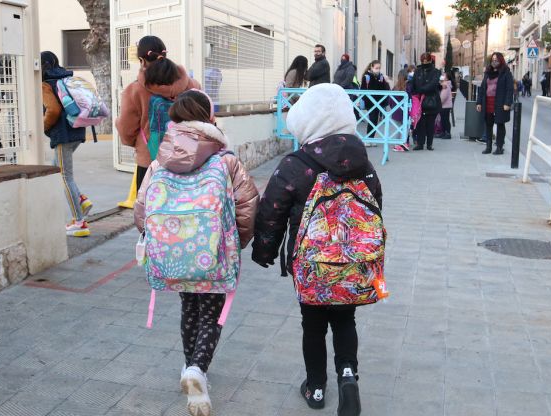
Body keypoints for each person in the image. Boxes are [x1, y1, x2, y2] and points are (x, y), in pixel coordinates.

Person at [251, 83, 383, 416]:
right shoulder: (363, 163)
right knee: (345, 320)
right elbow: (376, 207)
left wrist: (264, 252)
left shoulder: (296, 164)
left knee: (313, 325)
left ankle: (316, 387)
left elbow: (271, 211)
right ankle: (348, 375)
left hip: (311, 265)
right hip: (353, 263)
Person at [134, 90, 259, 416]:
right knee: (212, 314)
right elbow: (247, 207)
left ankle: (190, 367)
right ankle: (196, 369)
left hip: (173, 255)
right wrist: (238, 244)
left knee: (189, 308)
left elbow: (142, 207)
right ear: (209, 119)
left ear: (175, 119)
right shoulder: (225, 160)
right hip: (214, 255)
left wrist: (157, 243)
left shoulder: (161, 160)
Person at [116, 35, 201, 192]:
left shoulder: (134, 90)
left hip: (150, 160)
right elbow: (206, 118)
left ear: (142, 60)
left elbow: (126, 128)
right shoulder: (192, 85)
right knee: (185, 206)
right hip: (188, 156)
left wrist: (135, 143)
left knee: (149, 208)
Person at [41, 51, 94, 237]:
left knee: (65, 176)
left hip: (62, 134)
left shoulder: (46, 83)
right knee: (57, 169)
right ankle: (80, 199)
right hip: (77, 129)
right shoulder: (66, 77)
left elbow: (53, 110)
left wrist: (43, 126)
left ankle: (80, 223)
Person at [476, 52, 514, 155]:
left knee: (500, 124)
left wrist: (507, 103)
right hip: (488, 102)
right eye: (493, 60)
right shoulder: (488, 72)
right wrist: (479, 102)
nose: (494, 61)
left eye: (496, 60)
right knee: (488, 125)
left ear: (501, 60)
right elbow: (483, 88)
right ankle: (488, 147)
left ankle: (499, 147)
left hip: (500, 103)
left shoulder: (506, 72)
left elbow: (510, 89)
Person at [411, 53, 441, 151]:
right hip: (420, 101)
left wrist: (421, 90)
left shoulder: (436, 72)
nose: (424, 62)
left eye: (426, 60)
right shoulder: (418, 71)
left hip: (431, 101)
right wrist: (414, 92)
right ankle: (420, 144)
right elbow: (414, 84)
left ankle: (429, 144)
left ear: (430, 60)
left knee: (430, 124)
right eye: (423, 60)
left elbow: (433, 84)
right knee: (420, 123)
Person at [360, 60, 390, 139]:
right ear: (371, 67)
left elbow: (385, 89)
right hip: (370, 102)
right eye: (376, 68)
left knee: (375, 121)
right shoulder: (367, 76)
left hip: (379, 102)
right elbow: (362, 89)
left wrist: (386, 82)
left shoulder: (381, 77)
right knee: (372, 120)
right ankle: (369, 138)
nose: (378, 70)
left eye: (379, 68)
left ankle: (371, 138)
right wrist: (363, 100)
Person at [390, 69, 411, 151]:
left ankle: (399, 144)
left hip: (396, 111)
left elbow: (390, 100)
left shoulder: (395, 87)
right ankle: (400, 144)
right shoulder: (407, 87)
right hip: (404, 111)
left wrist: (393, 108)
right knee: (405, 127)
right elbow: (409, 97)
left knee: (398, 128)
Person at [438, 73, 453, 139]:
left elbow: (443, 97)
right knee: (443, 119)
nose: (442, 76)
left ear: (446, 78)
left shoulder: (446, 85)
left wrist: (439, 102)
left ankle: (447, 133)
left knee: (445, 120)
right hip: (444, 105)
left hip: (445, 106)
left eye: (444, 75)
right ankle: (443, 132)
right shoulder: (444, 84)